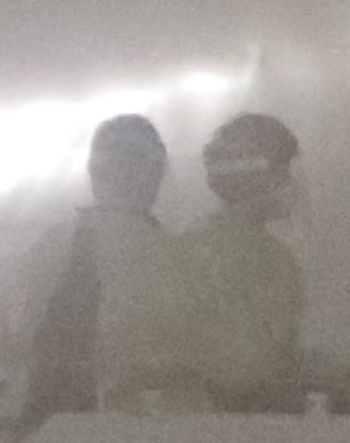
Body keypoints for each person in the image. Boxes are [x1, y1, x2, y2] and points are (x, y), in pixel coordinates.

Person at [19, 114, 198, 416]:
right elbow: (194, 355)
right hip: (141, 433)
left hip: (43, 430)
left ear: (93, 171)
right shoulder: (171, 255)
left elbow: (15, 340)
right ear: (156, 173)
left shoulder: (48, 246)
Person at [168, 113, 326, 412]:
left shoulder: (193, 245)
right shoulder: (251, 256)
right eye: (286, 170)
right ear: (260, 175)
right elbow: (253, 365)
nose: (293, 183)